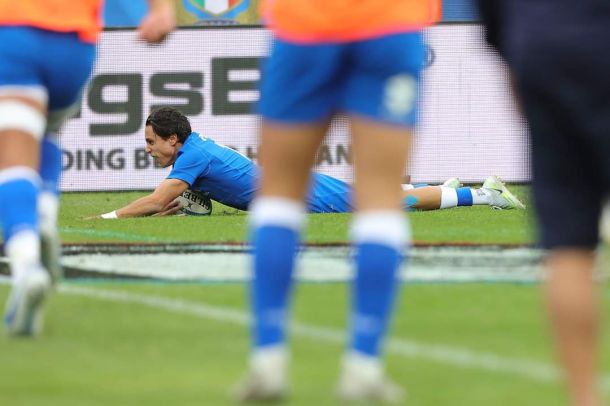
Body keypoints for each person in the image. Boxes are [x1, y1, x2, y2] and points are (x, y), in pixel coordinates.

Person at [233, 0, 441, 403]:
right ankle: (364, 363)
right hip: (388, 24)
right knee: (381, 199)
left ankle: (268, 358)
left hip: (306, 24)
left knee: (279, 197)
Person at [0, 0, 176, 336]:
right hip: (75, 42)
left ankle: (26, 266)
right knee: (47, 131)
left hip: (13, 28)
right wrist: (161, 10)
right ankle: (45, 217)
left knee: (11, 155)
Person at [478, 1, 608, 405]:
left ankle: (582, 397)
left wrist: (516, 59)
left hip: (540, 43)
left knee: (568, 246)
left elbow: (493, 16)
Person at [93, 107, 524, 219]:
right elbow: (185, 202)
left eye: (151, 141)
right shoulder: (194, 152)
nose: (148, 148)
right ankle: (442, 189)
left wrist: (109, 216)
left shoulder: (191, 157)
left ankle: (483, 193)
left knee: (385, 205)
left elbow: (157, 200)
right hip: (292, 187)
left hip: (299, 195)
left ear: (173, 139)